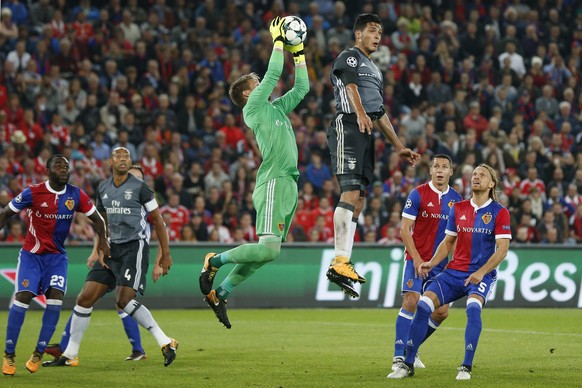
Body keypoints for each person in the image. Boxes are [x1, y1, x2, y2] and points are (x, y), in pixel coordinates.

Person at [199, 17, 309, 329]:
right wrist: (277, 40)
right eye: (256, 83)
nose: (262, 83)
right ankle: (214, 261)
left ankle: (221, 292)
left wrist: (297, 50)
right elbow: (275, 73)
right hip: (273, 180)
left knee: (266, 254)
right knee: (268, 249)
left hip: (288, 182)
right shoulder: (253, 109)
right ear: (249, 94)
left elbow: (303, 87)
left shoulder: (274, 108)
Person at [43, 147, 177, 368]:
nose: (123, 159)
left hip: (134, 248)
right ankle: (70, 355)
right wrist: (101, 247)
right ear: (110, 163)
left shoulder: (141, 188)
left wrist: (165, 255)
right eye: (118, 156)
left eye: (126, 156)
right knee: (84, 298)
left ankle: (164, 342)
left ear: (130, 161)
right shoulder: (103, 187)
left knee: (123, 300)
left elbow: (158, 221)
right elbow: (101, 221)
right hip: (112, 249)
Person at [388, 164, 512, 380]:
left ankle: (465, 367)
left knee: (473, 308)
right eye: (474, 174)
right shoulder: (459, 208)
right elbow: (447, 242)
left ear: (492, 183)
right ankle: (407, 364)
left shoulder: (500, 212)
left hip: (480, 274)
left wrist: (482, 272)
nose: (476, 177)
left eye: (482, 175)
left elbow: (502, 251)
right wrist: (431, 262)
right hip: (454, 271)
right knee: (424, 304)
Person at [326, 14, 420, 297]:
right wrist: (360, 112)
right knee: (351, 191)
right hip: (349, 124)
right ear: (358, 34)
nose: (377, 36)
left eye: (380, 32)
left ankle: (343, 261)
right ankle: (339, 260)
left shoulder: (376, 71)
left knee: (360, 199)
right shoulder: (349, 57)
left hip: (367, 129)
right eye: (371, 31)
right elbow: (351, 87)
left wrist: (398, 145)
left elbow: (379, 113)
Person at [0, 155, 108, 376]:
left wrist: (103, 244)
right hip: (32, 255)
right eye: (58, 165)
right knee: (23, 298)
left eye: (66, 166)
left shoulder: (75, 194)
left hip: (57, 257)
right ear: (47, 170)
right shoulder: (33, 192)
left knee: (56, 298)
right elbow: (5, 214)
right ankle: (9, 355)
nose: (63, 169)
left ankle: (39, 352)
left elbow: (98, 219)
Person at [391, 154, 462, 371]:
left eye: (444, 167)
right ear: (430, 170)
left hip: (440, 265)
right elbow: (405, 229)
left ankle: (411, 349)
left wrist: (455, 264)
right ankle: (397, 357)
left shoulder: (458, 201)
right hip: (416, 259)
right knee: (411, 301)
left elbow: (459, 237)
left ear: (451, 171)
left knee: (441, 312)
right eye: (436, 166)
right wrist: (416, 258)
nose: (440, 170)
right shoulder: (418, 193)